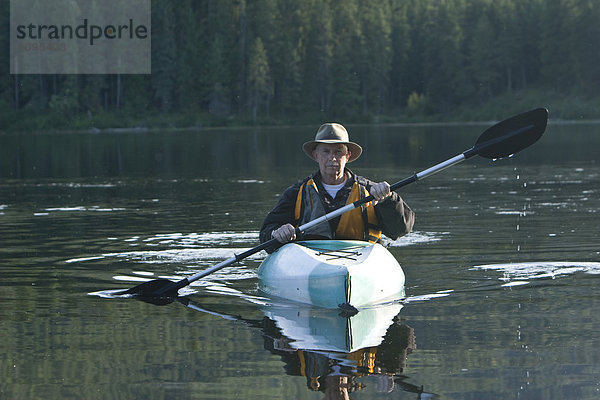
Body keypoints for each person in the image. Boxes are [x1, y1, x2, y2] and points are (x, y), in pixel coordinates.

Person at [259, 123, 414, 250]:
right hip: (310, 260)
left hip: (361, 259)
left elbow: (400, 230)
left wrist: (389, 199)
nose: (332, 158)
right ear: (316, 155)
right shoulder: (296, 193)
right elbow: (266, 234)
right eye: (326, 151)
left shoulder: (372, 191)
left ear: (348, 157)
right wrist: (277, 233)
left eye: (338, 152)